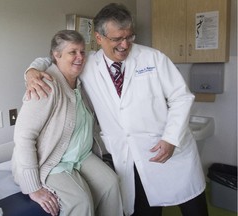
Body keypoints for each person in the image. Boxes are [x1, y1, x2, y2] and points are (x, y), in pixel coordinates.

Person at [24, 3, 209, 216]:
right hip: (131, 157)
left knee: (195, 210)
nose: (124, 45)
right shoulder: (87, 63)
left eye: (129, 37)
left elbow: (181, 97)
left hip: (171, 150)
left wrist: (171, 138)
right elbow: (53, 57)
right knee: (145, 211)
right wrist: (32, 70)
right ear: (99, 38)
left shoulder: (152, 58)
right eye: (116, 39)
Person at [11, 29, 123, 216]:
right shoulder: (45, 85)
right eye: (73, 52)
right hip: (52, 161)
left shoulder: (80, 83)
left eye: (82, 51)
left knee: (111, 183)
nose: (79, 57)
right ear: (57, 55)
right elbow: (23, 136)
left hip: (80, 156)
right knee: (80, 200)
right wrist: (33, 188)